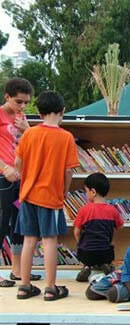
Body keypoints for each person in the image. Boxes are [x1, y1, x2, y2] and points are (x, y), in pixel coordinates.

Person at [15, 91, 80, 301]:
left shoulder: (29, 134)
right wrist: (64, 191)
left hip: (28, 193)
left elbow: (18, 163)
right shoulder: (66, 137)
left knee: (29, 240)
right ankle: (50, 288)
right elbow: (69, 170)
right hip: (50, 196)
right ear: (63, 111)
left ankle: (24, 286)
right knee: (50, 240)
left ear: (39, 112)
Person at [0, 78, 40, 287]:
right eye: (18, 102)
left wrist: (28, 129)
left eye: (26, 102)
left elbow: (33, 142)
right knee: (1, 221)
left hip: (21, 176)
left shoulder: (22, 117)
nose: (22, 106)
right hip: (3, 176)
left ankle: (17, 270)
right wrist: (4, 168)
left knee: (19, 223)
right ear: (7, 97)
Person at [73, 172, 123, 282]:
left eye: (86, 191)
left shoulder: (84, 210)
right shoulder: (113, 210)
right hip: (105, 253)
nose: (85, 194)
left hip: (86, 253)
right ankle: (106, 265)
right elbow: (119, 227)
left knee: (83, 247)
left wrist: (79, 243)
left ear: (93, 192)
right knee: (109, 247)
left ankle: (87, 266)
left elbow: (76, 232)